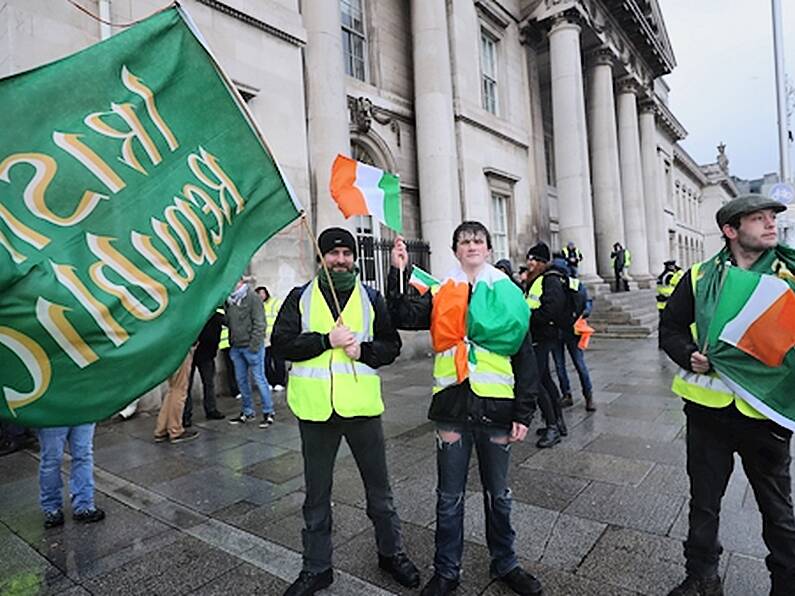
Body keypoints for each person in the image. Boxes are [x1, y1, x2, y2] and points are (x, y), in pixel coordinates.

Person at [389, 221, 543, 596]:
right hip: (453, 408)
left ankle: (506, 563)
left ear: (488, 249)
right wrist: (399, 272)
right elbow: (405, 316)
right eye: (464, 241)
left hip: (497, 409)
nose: (471, 246)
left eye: (478, 240)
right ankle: (446, 571)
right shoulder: (442, 291)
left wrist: (524, 413)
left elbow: (525, 358)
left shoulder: (508, 293)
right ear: (455, 250)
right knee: (448, 497)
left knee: (500, 496)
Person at [271, 227, 419, 596]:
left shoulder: (371, 298)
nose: (340, 260)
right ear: (321, 257)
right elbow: (281, 344)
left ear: (354, 258)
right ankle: (316, 567)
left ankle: (391, 553)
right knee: (316, 495)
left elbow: (391, 345)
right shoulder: (299, 297)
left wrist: (364, 352)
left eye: (346, 253)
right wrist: (325, 341)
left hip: (362, 409)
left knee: (380, 492)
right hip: (316, 412)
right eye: (332, 253)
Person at [660, 194, 795, 596]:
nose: (771, 225)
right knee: (704, 504)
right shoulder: (699, 276)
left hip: (764, 415)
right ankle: (701, 577)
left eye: (772, 218)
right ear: (730, 231)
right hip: (708, 413)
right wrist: (688, 355)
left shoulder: (788, 278)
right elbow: (670, 330)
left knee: (778, 510)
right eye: (758, 219)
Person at [525, 243, 570, 448]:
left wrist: (528, 316)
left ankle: (552, 427)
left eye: (533, 260)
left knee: (537, 383)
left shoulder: (550, 280)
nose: (529, 263)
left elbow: (550, 310)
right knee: (546, 379)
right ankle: (558, 422)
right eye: (529, 259)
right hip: (540, 335)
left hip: (541, 336)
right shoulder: (540, 279)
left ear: (542, 262)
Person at [226, 276, 275, 428]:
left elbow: (260, 323)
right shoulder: (229, 300)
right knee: (241, 380)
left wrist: (254, 345)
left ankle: (268, 411)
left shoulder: (253, 298)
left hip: (251, 347)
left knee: (259, 378)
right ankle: (247, 411)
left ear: (240, 281)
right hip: (236, 346)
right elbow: (229, 322)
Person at [549, 254, 596, 411]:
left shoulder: (552, 283)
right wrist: (584, 313)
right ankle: (586, 396)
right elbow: (587, 303)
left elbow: (587, 302)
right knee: (576, 364)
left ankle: (571, 394)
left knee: (564, 365)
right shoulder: (575, 283)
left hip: (562, 329)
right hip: (569, 328)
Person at [38, 423, 104, 528]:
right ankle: (83, 506)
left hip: (53, 413)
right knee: (82, 456)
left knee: (51, 460)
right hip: (80, 411)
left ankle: (53, 509)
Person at [182, 310, 225, 427]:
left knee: (208, 383)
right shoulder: (193, 313)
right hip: (191, 354)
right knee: (187, 386)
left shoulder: (215, 315)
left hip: (206, 355)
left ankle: (210, 410)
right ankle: (186, 415)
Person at [153, 347, 200, 444]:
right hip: (180, 350)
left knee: (172, 389)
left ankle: (161, 429)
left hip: (166, 351)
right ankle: (175, 430)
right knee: (179, 389)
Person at [256, 285, 287, 392]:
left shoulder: (275, 302)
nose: (261, 296)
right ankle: (271, 381)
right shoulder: (256, 306)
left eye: (263, 293)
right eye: (259, 294)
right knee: (265, 362)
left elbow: (284, 316)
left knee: (278, 360)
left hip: (275, 336)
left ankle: (280, 382)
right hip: (263, 338)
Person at [656, 260, 684, 348]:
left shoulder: (662, 275)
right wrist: (679, 272)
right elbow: (679, 281)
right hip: (667, 302)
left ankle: (661, 343)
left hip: (661, 303)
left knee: (662, 324)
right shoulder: (670, 275)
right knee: (669, 325)